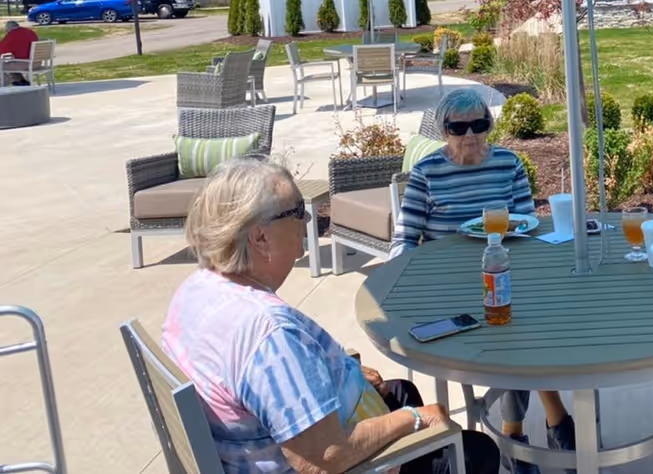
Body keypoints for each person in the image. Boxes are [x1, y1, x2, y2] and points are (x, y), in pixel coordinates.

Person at [162, 157, 501, 474]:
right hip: (324, 455)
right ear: (260, 237)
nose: (308, 220)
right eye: (296, 211)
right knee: (475, 449)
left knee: (401, 392)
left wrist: (341, 371)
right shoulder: (268, 333)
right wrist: (416, 420)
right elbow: (324, 458)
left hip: (262, 441)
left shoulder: (196, 289)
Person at [391, 88, 575, 474]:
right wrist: (404, 282)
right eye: (459, 127)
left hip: (508, 272)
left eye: (479, 124)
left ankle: (515, 431)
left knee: (530, 322)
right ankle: (540, 424)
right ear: (444, 131)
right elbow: (404, 240)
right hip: (450, 289)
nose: (470, 135)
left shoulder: (508, 163)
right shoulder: (427, 174)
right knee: (508, 338)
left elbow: (527, 223)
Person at [0, 20, 38, 85]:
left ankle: (4, 86)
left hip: (25, 63)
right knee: (10, 64)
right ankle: (21, 82)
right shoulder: (30, 32)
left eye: (6, 30)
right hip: (37, 62)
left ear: (9, 28)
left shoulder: (13, 35)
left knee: (2, 65)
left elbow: (2, 49)